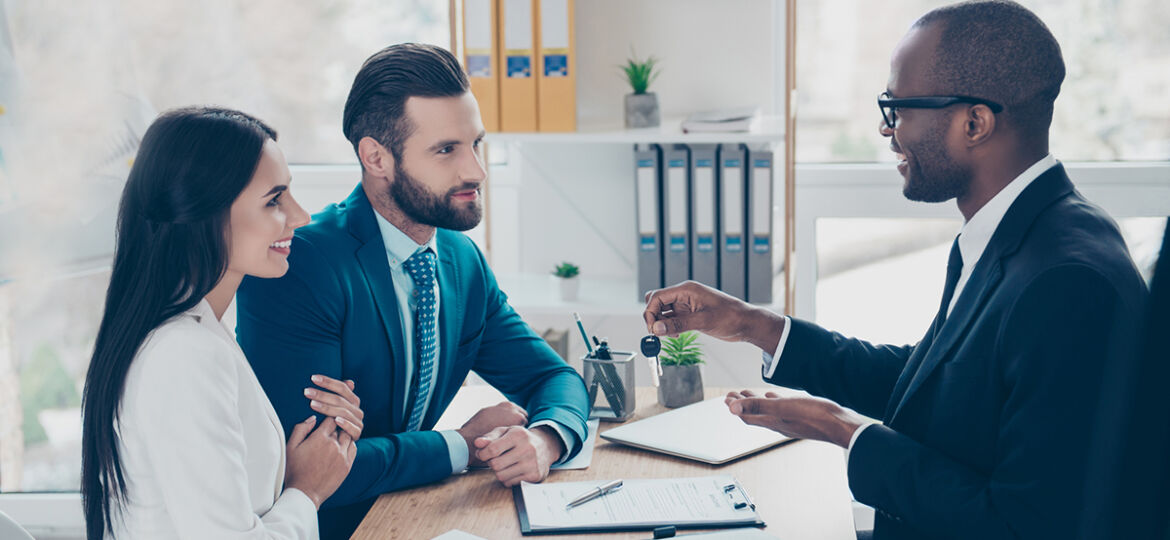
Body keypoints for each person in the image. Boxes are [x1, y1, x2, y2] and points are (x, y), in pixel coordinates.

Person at [642, 2, 1148, 538]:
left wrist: (846, 431)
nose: (887, 131)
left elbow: (1025, 525)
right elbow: (939, 384)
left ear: (973, 122)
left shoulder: (1068, 281)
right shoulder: (1019, 233)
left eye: (898, 109)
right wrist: (755, 326)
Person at [236, 43, 589, 539]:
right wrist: (460, 446)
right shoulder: (303, 267)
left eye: (476, 145)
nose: (475, 171)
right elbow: (315, 472)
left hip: (423, 513)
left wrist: (545, 438)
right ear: (376, 157)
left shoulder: (461, 262)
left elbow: (553, 378)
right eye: (446, 150)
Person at [81, 107, 362, 539]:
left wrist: (320, 450)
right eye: (274, 200)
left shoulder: (199, 335)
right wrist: (307, 492)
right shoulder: (184, 354)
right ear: (203, 213)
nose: (301, 216)